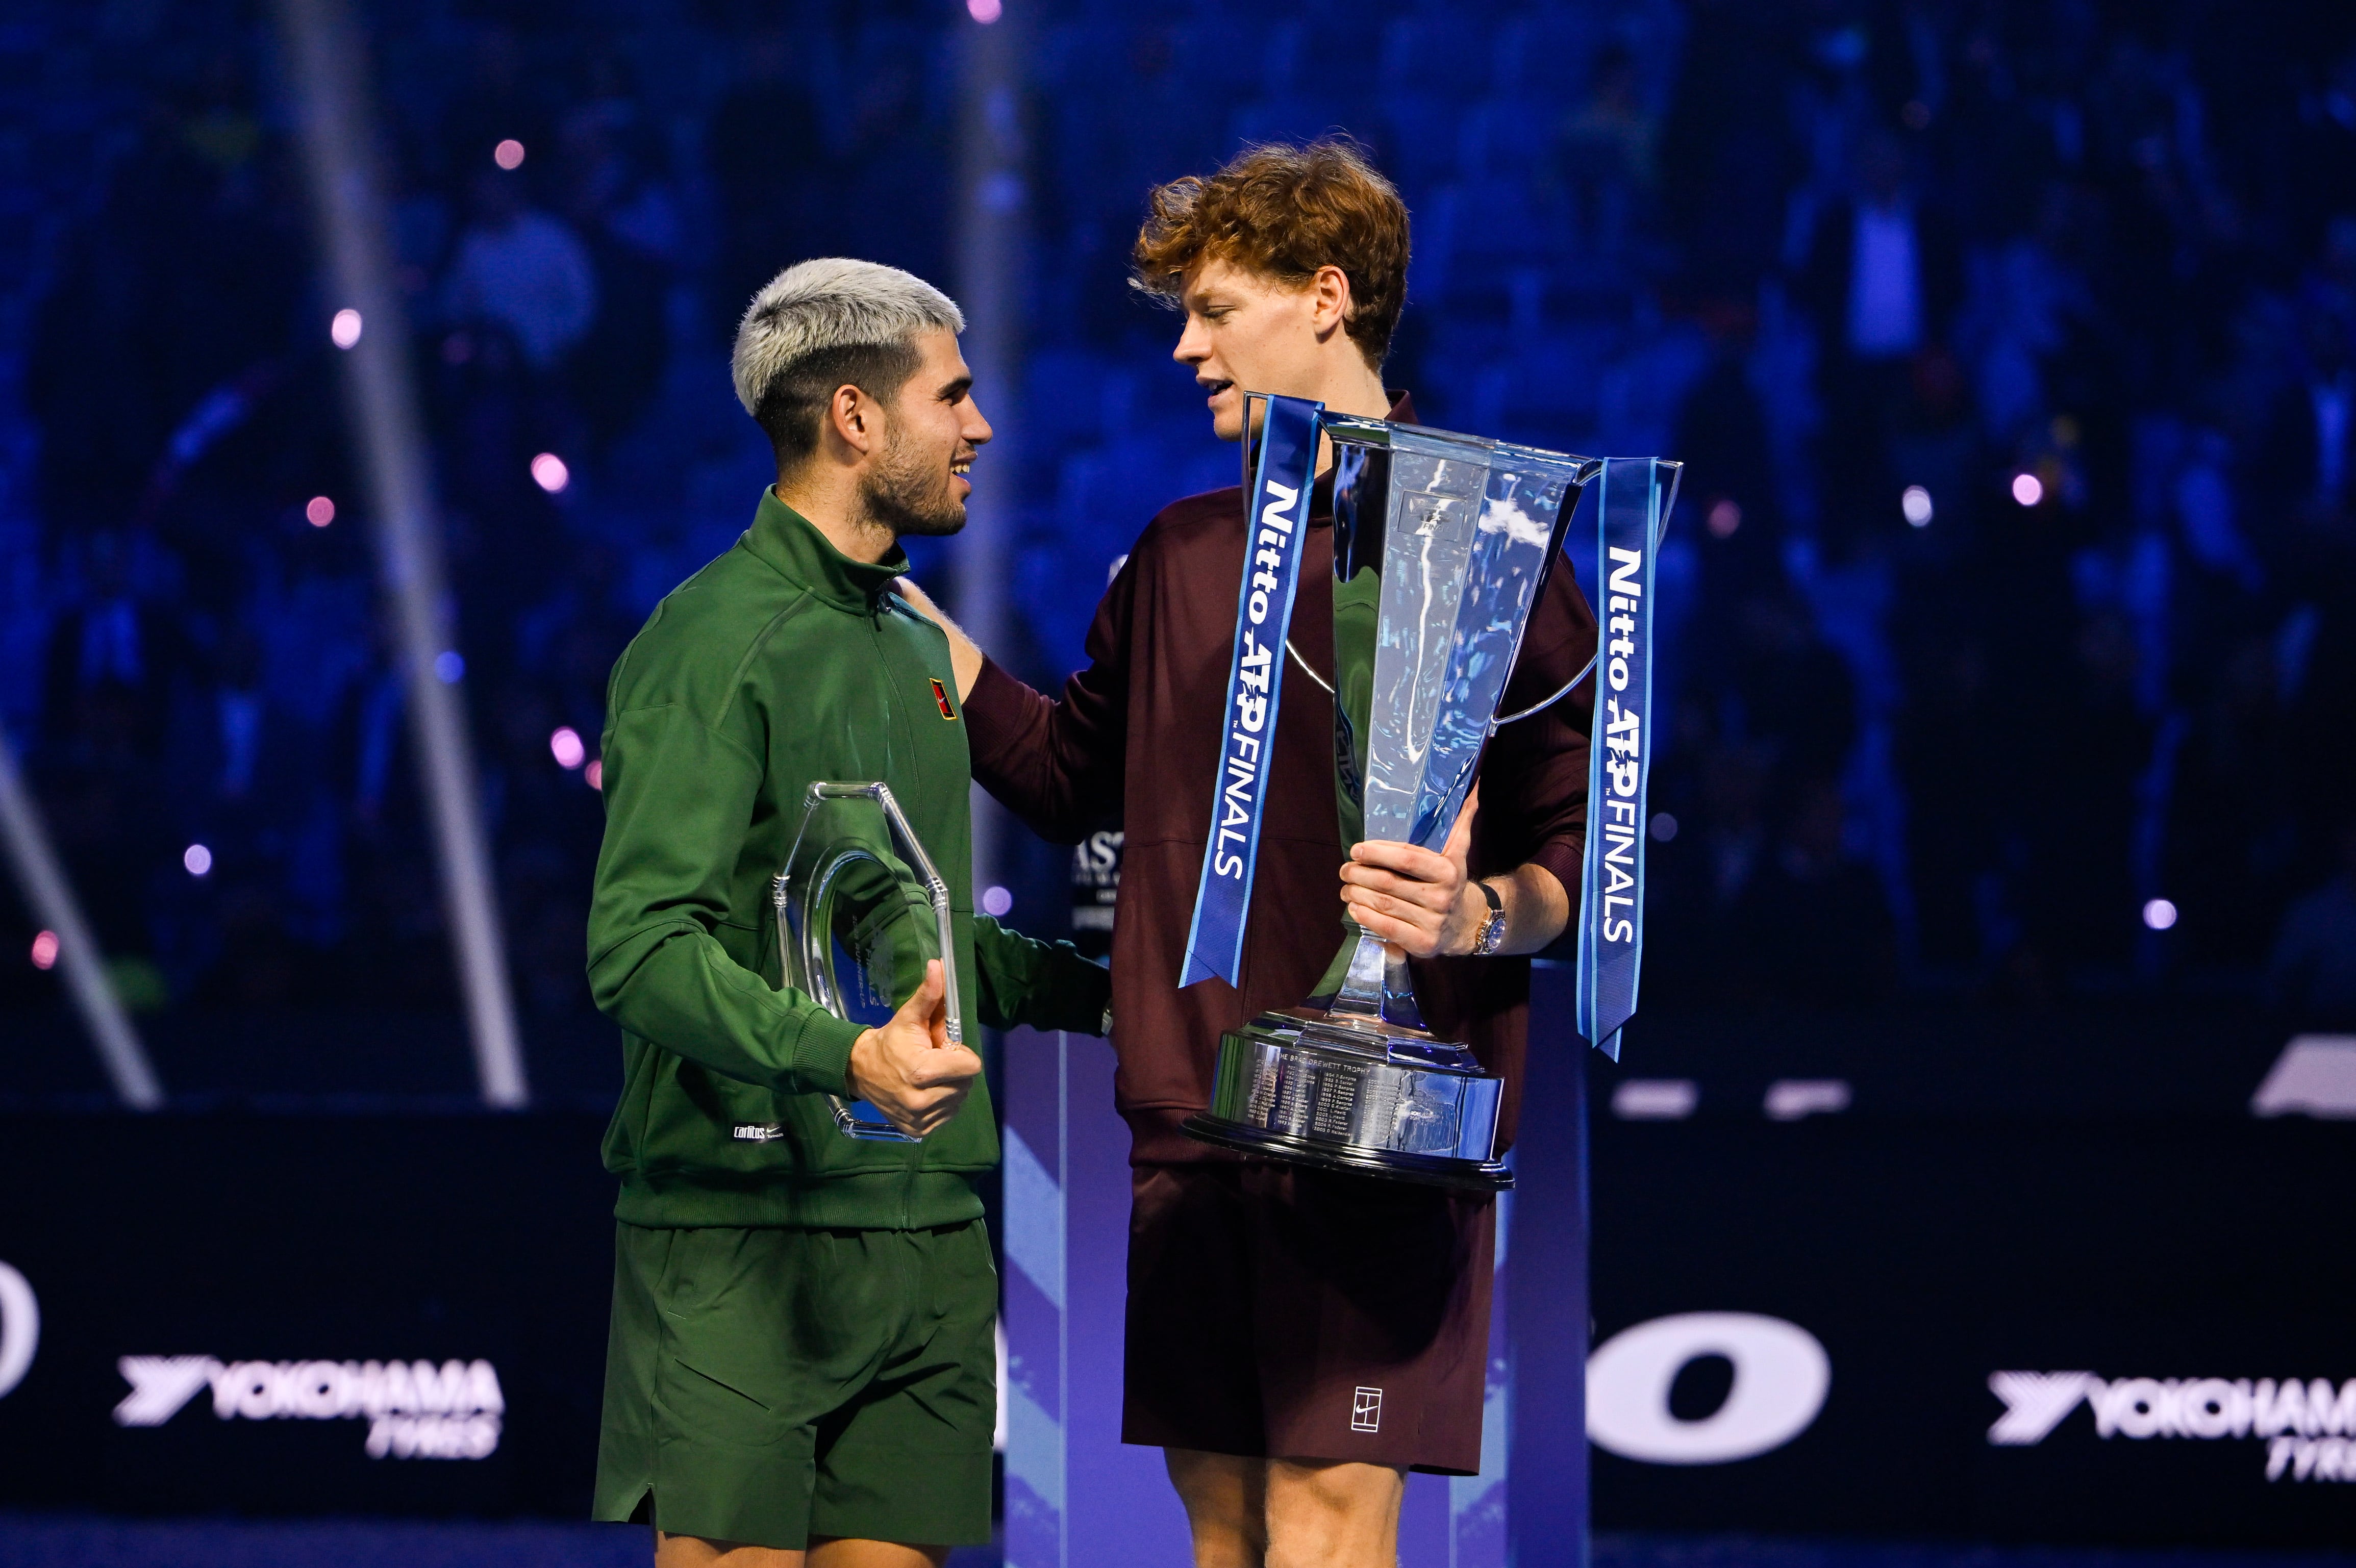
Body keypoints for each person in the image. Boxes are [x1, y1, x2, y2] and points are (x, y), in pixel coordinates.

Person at [903, 141, 1596, 1568]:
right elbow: (1065, 776)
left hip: (1383, 1130)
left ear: (1326, 298)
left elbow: (1573, 861)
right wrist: (915, 632)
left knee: (1331, 1527)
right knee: (1222, 1534)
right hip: (1193, 1111)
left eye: (1215, 309)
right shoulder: (1177, 554)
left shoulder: (1491, 540)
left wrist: (1472, 913)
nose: (1185, 347)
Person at [587, 258, 1110, 1567]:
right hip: (743, 1231)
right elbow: (637, 948)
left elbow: (914, 938)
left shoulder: (917, 645)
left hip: (927, 1231)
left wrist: (1120, 997)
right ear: (856, 419)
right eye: (953, 395)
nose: (979, 426)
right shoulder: (708, 644)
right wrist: (847, 1058)